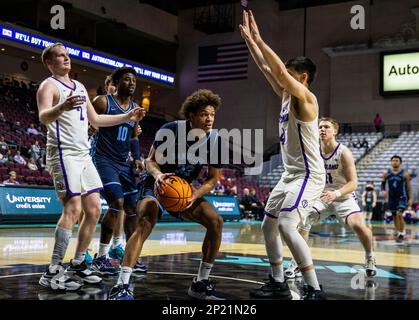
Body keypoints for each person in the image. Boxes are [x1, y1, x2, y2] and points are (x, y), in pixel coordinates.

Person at [36, 42, 144, 291]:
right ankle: (52, 271)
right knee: (72, 209)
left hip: (83, 154)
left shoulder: (80, 87)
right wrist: (61, 107)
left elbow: (96, 120)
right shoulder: (48, 86)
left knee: (94, 209)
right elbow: (43, 116)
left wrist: (127, 117)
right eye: (60, 56)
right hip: (62, 153)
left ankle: (78, 264)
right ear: (49, 63)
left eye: (67, 55)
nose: (66, 59)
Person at [108, 89, 226, 300]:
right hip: (155, 184)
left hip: (182, 191)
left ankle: (200, 283)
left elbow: (212, 179)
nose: (209, 119)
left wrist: (194, 194)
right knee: (147, 219)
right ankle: (122, 285)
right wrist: (159, 175)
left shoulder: (215, 140)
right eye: (203, 114)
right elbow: (150, 161)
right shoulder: (171, 129)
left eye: (212, 115)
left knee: (215, 221)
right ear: (191, 115)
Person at [240, 10, 326, 299]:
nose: (283, 78)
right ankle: (278, 282)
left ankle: (314, 288)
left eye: (290, 75)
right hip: (290, 175)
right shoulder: (288, 96)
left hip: (309, 175)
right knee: (268, 225)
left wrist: (262, 39)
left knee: (289, 226)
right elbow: (268, 70)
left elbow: (276, 70)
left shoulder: (307, 99)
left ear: (302, 78)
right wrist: (251, 42)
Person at [285, 118, 376, 279]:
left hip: (343, 196)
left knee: (359, 226)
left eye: (326, 127)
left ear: (335, 131)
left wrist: (336, 194)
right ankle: (297, 263)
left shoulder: (344, 152)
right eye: (320, 127)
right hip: (321, 197)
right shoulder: (313, 151)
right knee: (303, 222)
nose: (322, 129)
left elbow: (354, 183)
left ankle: (370, 257)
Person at [90, 67, 147, 275]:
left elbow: (133, 137)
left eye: (134, 81)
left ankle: (130, 258)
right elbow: (89, 124)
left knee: (132, 209)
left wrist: (138, 158)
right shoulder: (103, 102)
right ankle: (101, 256)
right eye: (126, 80)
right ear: (116, 81)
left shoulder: (135, 108)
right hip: (103, 159)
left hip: (124, 163)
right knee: (117, 203)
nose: (131, 83)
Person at [381, 155, 412, 243]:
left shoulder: (405, 173)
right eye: (393, 160)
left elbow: (409, 187)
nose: (395, 162)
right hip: (391, 197)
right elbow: (382, 184)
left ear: (400, 162)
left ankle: (402, 233)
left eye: (397, 160)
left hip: (402, 197)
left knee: (399, 214)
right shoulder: (386, 173)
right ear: (391, 162)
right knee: (394, 216)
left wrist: (410, 199)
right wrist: (383, 190)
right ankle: (399, 232)